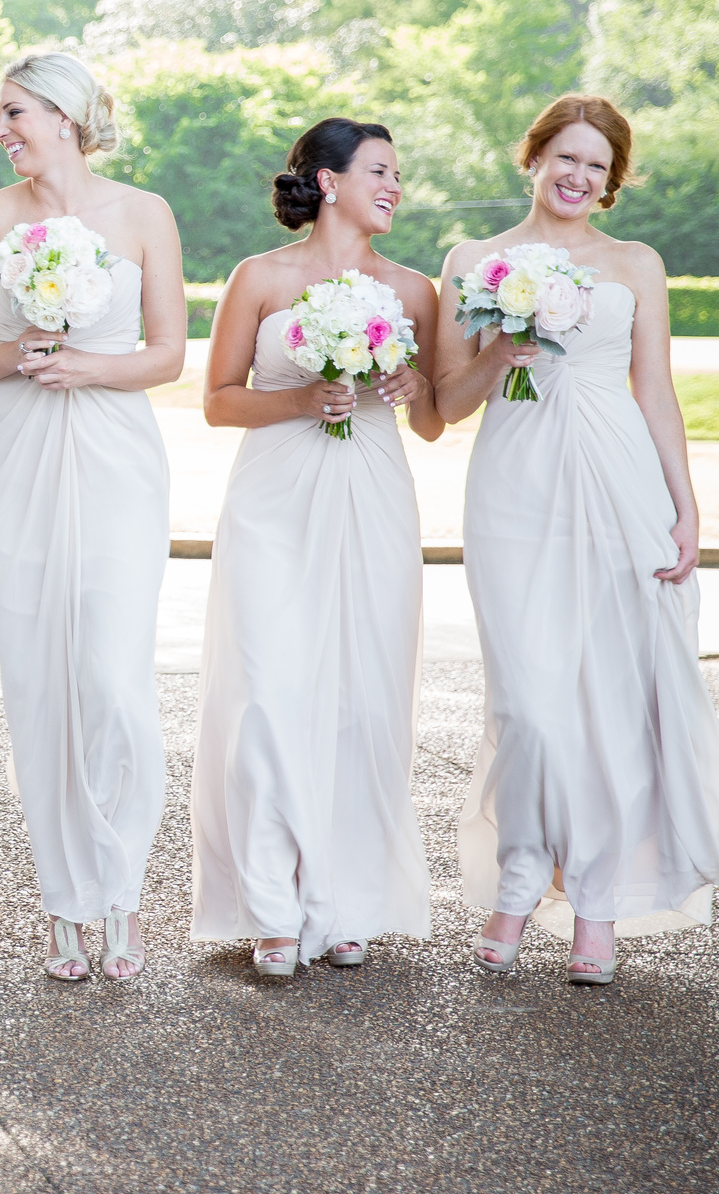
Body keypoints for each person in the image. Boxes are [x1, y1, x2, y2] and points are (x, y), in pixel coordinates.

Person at [435, 94, 719, 984]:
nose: (578, 177)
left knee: (611, 700)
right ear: (532, 156)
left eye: (596, 167)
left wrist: (684, 506)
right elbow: (444, 407)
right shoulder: (472, 260)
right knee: (528, 704)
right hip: (514, 486)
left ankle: (600, 900)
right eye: (565, 158)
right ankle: (522, 873)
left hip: (619, 483)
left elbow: (655, 387)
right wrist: (497, 351)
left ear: (611, 182)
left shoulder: (636, 264)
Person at [0, 53, 187, 983]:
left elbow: (168, 353)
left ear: (65, 112)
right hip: (18, 447)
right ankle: (62, 903)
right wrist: (25, 350)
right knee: (38, 670)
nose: (1, 129)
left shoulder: (143, 214)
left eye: (13, 112)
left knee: (113, 673)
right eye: (0, 116)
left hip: (116, 448)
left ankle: (121, 891)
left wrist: (87, 365)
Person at [191, 117, 442, 977]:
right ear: (328, 181)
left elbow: (436, 416)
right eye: (380, 170)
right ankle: (268, 903)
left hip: (372, 488)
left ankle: (344, 896)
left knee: (362, 693)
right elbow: (219, 400)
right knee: (267, 690)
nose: (396, 186)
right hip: (273, 493)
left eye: (400, 174)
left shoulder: (413, 290)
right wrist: (302, 402)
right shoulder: (259, 278)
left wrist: (413, 385)